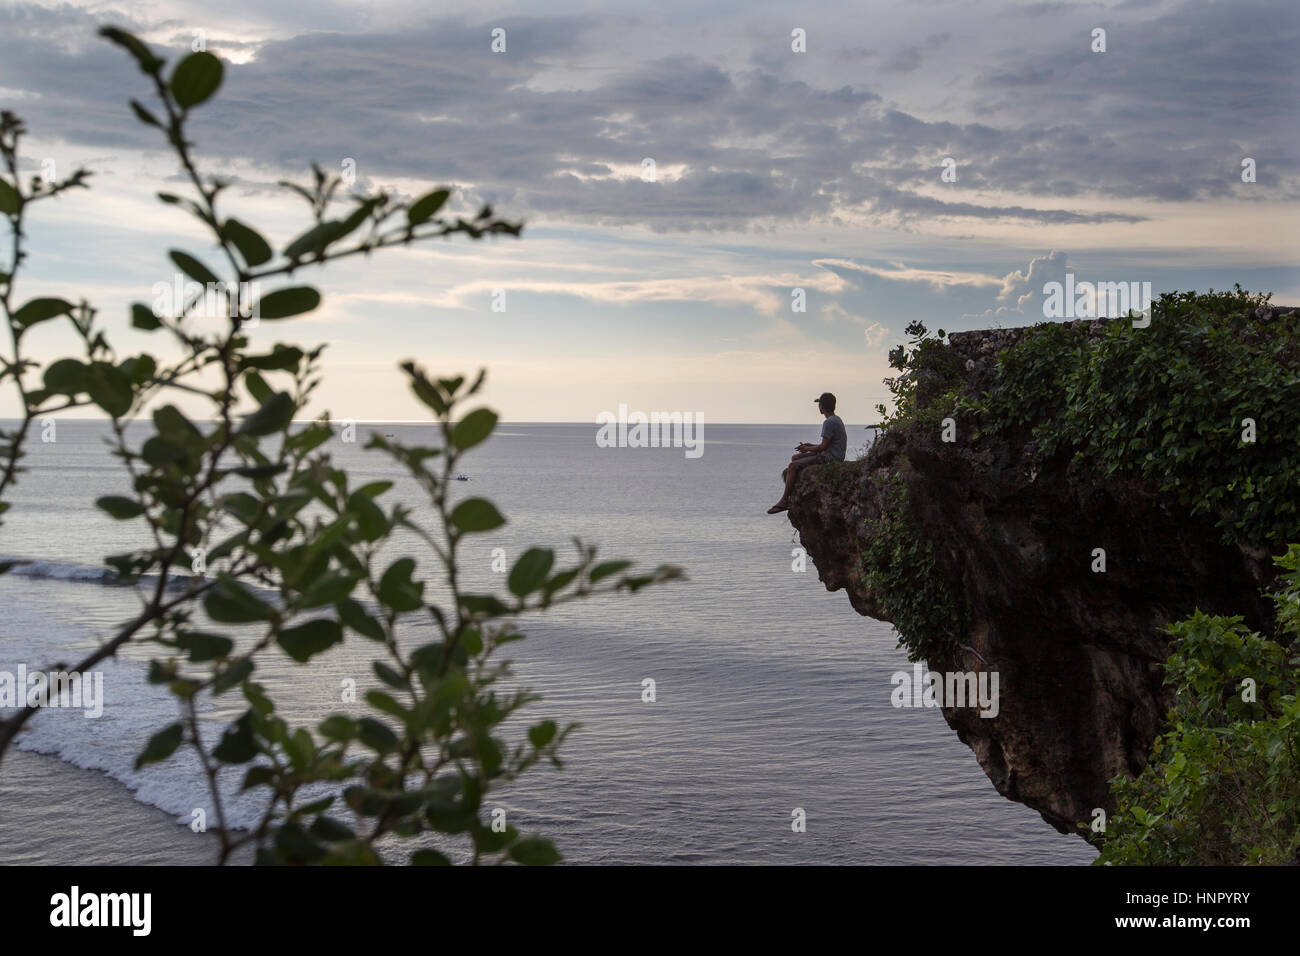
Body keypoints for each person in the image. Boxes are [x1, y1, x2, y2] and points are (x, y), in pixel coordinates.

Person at [767, 392, 846, 514]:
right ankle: (789, 490)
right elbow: (827, 445)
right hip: (833, 454)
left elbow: (823, 447)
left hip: (831, 458)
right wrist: (809, 446)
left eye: (819, 404)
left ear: (822, 407)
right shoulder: (836, 419)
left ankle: (784, 500)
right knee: (795, 457)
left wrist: (808, 448)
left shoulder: (828, 422)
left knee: (792, 466)